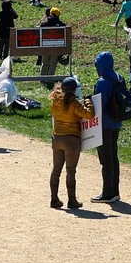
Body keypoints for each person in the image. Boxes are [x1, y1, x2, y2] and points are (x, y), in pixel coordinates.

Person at [49, 77, 94, 209]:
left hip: (57, 137)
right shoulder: (74, 104)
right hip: (71, 140)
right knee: (71, 170)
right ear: (74, 90)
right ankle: (72, 200)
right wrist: (88, 101)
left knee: (56, 170)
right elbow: (89, 114)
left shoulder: (54, 101)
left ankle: (54, 199)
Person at [91, 52, 125, 204]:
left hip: (104, 124)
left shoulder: (103, 82)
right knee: (113, 158)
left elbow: (99, 104)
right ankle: (115, 191)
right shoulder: (119, 78)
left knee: (106, 160)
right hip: (116, 122)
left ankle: (107, 193)